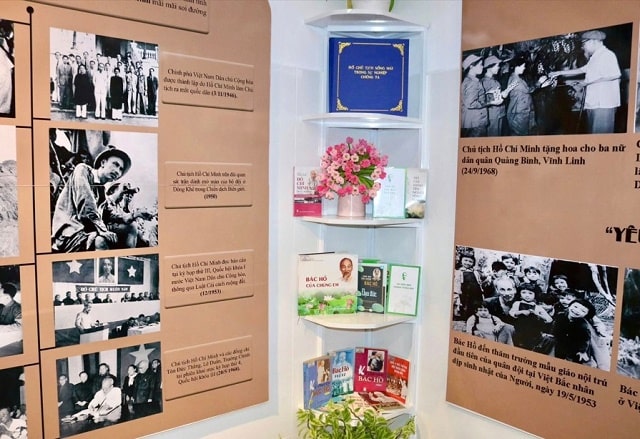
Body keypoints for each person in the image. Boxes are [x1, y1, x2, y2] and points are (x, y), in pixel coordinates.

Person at [51, 145, 132, 252]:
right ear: (103, 163)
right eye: (115, 164)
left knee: (130, 228)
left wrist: (134, 215)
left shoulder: (101, 190)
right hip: (70, 231)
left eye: (121, 169)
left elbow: (110, 214)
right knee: (101, 240)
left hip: (87, 230)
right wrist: (102, 230)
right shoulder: (82, 170)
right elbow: (86, 202)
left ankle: (126, 259)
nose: (117, 171)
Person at [549, 30, 621, 134]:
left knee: (601, 136)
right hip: (594, 102)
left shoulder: (608, 55)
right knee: (593, 134)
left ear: (593, 41)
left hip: (604, 104)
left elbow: (615, 75)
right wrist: (559, 72)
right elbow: (582, 69)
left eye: (584, 44)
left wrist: (587, 83)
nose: (583, 47)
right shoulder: (595, 57)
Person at [553, 298, 598, 366]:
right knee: (558, 354)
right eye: (575, 307)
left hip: (576, 346)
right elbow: (556, 327)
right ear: (569, 306)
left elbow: (585, 339)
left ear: (586, 315)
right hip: (561, 341)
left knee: (576, 360)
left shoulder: (583, 325)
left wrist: (582, 351)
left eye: (583, 311)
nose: (577, 311)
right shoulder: (561, 315)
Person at [509, 286, 553, 351]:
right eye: (524, 292)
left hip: (533, 332)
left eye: (530, 293)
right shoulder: (517, 303)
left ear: (535, 295)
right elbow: (511, 313)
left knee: (529, 347)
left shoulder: (538, 307)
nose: (527, 295)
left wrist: (537, 314)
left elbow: (549, 319)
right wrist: (521, 312)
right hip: (519, 329)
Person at [483, 275, 517, 345]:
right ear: (497, 290)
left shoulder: (520, 304)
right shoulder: (488, 303)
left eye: (509, 289)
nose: (506, 293)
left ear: (514, 290)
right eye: (502, 290)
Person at [506, 55, 536, 136]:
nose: (524, 68)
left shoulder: (517, 78)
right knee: (520, 135)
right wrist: (539, 83)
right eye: (523, 66)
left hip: (521, 111)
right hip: (518, 113)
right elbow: (528, 90)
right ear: (517, 67)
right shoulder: (515, 80)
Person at [460, 53, 489, 137]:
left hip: (470, 120)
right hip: (476, 122)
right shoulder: (473, 82)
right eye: (480, 65)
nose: (482, 67)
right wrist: (490, 102)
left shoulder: (467, 80)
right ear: (471, 66)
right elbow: (471, 103)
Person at [481, 55, 507, 136]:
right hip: (492, 115)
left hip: (499, 113)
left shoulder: (494, 80)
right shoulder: (484, 82)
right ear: (489, 67)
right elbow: (483, 100)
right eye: (497, 66)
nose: (499, 68)